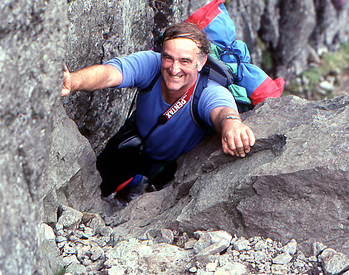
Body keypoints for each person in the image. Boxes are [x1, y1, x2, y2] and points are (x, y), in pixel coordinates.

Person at [61, 22, 255, 199]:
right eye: (168, 58)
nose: (174, 68)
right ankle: (127, 188)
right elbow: (109, 74)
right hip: (136, 141)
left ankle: (138, 188)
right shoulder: (151, 64)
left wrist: (232, 125)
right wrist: (73, 82)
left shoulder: (207, 91)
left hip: (173, 166)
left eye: (185, 61)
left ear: (201, 62)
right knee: (95, 186)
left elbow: (222, 110)